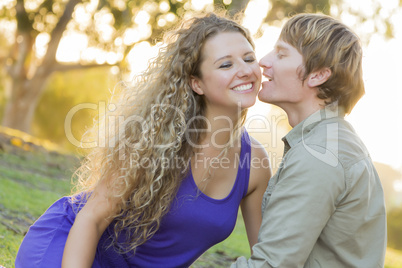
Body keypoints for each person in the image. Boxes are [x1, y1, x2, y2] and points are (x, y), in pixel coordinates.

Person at [15, 13, 271, 268]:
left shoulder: (255, 163)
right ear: (197, 83)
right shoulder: (155, 138)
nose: (246, 71)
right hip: (70, 248)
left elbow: (268, 255)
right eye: (226, 65)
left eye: (249, 59)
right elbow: (91, 218)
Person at [232, 13, 387, 268]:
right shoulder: (332, 141)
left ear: (317, 75)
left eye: (281, 54)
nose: (263, 61)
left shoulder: (319, 154)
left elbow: (270, 265)